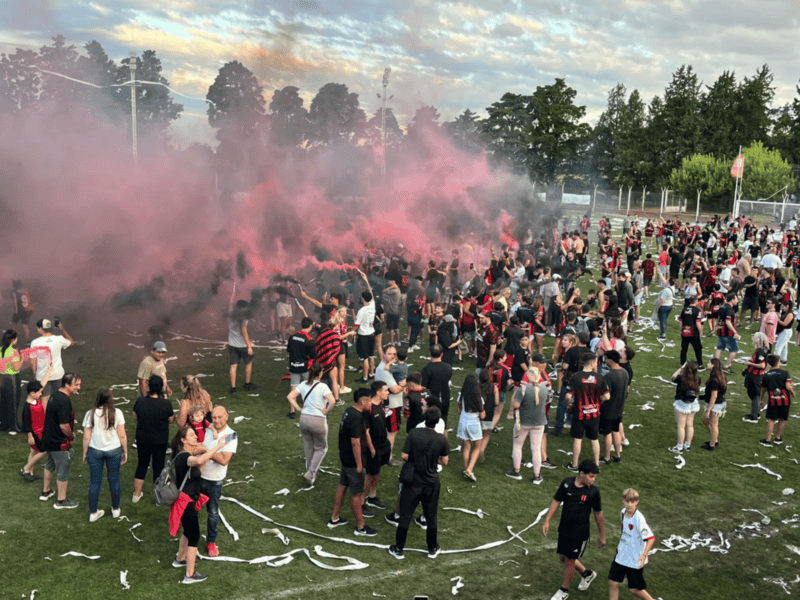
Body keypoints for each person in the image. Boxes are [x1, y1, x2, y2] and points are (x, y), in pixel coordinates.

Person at [387, 406, 450, 560]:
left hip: (413, 482)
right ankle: (432, 548)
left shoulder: (414, 433)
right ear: (437, 422)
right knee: (431, 516)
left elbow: (404, 455)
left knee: (405, 516)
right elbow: (445, 461)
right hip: (431, 482)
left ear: (425, 418)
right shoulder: (441, 438)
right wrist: (433, 460)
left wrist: (417, 459)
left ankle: (399, 548)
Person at [170, 425, 228, 584]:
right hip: (186, 502)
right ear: (183, 440)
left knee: (187, 532)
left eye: (195, 434)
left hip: (188, 500)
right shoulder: (184, 457)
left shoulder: (186, 455)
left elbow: (198, 470)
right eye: (191, 435)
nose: (195, 436)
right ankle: (190, 574)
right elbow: (198, 461)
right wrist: (217, 447)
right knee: (194, 536)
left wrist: (205, 454)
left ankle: (180, 559)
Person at [542, 460, 605, 600]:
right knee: (563, 558)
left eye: (595, 477)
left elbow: (598, 514)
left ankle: (563, 591)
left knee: (570, 561)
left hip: (579, 533)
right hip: (564, 528)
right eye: (591, 476)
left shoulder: (593, 492)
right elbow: (556, 501)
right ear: (581, 473)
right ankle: (587, 574)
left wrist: (602, 535)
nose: (593, 479)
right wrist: (547, 520)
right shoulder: (567, 483)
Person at [328, 388, 377, 537]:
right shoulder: (356, 418)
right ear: (363, 401)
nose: (371, 403)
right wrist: (359, 465)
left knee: (343, 485)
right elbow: (355, 442)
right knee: (356, 494)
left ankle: (335, 518)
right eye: (370, 400)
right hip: (353, 461)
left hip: (345, 458)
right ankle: (361, 527)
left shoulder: (349, 411)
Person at [82, 388, 127, 522]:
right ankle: (115, 510)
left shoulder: (90, 414)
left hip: (95, 450)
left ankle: (93, 513)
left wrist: (85, 453)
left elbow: (86, 437)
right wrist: (125, 450)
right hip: (114, 450)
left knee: (95, 481)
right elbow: (122, 434)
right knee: (114, 479)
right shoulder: (117, 413)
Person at [287, 362, 336, 485]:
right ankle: (311, 473)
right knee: (321, 448)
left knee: (309, 447)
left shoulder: (303, 384)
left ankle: (310, 471)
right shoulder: (323, 386)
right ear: (320, 373)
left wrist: (298, 408)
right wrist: (326, 411)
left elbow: (290, 396)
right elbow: (333, 401)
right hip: (318, 420)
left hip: (304, 419)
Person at [200, 406, 237, 558]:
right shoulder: (207, 429)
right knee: (191, 510)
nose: (217, 420)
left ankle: (211, 542)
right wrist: (214, 450)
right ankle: (189, 539)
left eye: (220, 417)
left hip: (214, 481)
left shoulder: (231, 435)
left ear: (227, 416)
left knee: (213, 513)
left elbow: (224, 460)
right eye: (214, 417)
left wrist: (205, 451)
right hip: (198, 476)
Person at [39, 372, 81, 509]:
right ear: (67, 385)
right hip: (59, 443)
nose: (79, 388)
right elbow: (64, 426)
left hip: (49, 439)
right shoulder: (64, 401)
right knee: (63, 470)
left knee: (50, 465)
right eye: (76, 385)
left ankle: (46, 492)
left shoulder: (55, 395)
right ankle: (61, 501)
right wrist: (71, 436)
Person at [132, 374, 175, 503]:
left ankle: (136, 494)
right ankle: (159, 497)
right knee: (158, 467)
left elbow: (134, 416)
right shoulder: (166, 403)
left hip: (143, 439)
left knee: (142, 465)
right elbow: (171, 420)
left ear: (148, 386)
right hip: (160, 440)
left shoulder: (140, 401)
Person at [608, 488, 657, 600]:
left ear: (637, 502)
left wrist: (644, 555)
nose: (629, 504)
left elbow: (651, 538)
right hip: (621, 554)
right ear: (623, 501)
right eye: (627, 501)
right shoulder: (622, 512)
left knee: (635, 589)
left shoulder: (638, 519)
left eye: (632, 501)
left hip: (635, 558)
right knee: (613, 583)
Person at [565, 354, 609, 471]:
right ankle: (597, 464)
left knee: (577, 439)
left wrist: (568, 404)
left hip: (579, 413)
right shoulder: (600, 377)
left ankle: (574, 465)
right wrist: (599, 402)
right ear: (592, 363)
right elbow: (607, 396)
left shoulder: (576, 376)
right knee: (594, 439)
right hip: (594, 413)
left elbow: (568, 396)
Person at [507, 365, 548, 484]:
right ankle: (537, 475)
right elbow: (547, 401)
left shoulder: (523, 389)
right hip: (539, 422)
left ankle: (516, 471)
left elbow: (516, 405)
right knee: (536, 449)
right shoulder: (544, 388)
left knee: (517, 446)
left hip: (524, 422)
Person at [374, 345, 407, 466]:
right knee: (391, 433)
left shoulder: (388, 367)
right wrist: (404, 384)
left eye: (394, 354)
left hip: (389, 404)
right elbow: (395, 389)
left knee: (386, 432)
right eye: (389, 354)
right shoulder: (384, 370)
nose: (392, 356)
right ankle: (388, 458)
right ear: (383, 354)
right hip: (391, 405)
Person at [363, 381, 391, 513]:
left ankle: (372, 497)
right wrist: (372, 448)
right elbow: (366, 432)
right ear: (378, 392)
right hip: (373, 448)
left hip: (383, 445)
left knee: (376, 472)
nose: (388, 393)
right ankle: (361, 503)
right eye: (385, 390)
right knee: (369, 475)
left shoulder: (382, 404)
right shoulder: (368, 408)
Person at [30, 318, 74, 403]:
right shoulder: (59, 339)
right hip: (57, 374)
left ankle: (46, 412)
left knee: (44, 399)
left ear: (40, 328)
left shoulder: (35, 342)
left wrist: (35, 373)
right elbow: (72, 343)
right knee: (61, 397)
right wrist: (62, 329)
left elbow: (32, 361)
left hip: (42, 376)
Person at [600, 351, 629, 465]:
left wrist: (599, 402)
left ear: (610, 360)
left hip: (608, 409)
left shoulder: (609, 376)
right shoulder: (625, 372)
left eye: (606, 359)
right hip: (619, 408)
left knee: (607, 433)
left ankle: (607, 458)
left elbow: (606, 395)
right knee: (616, 431)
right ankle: (617, 455)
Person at [760, 354, 794, 446]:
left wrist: (761, 399)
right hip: (785, 400)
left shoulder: (767, 375)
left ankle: (768, 440)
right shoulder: (785, 373)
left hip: (773, 400)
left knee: (771, 419)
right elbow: (788, 386)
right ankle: (778, 438)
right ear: (778, 363)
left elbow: (763, 389)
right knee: (782, 419)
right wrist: (792, 392)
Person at [456, 373, 485, 481]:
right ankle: (469, 469)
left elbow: (459, 410)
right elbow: (482, 415)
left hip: (463, 421)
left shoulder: (461, 395)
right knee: (478, 446)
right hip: (473, 422)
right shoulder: (478, 397)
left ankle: (466, 468)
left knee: (466, 446)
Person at [227, 287, 256, 393]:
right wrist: (249, 346)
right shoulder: (243, 318)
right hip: (242, 345)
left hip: (231, 344)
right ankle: (247, 384)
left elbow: (230, 303)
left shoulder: (230, 313)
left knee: (233, 366)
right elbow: (244, 332)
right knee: (248, 362)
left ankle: (233, 388)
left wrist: (233, 294)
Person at [668, 361, 701, 453]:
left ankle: (679, 447)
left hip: (682, 402)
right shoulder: (698, 379)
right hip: (693, 402)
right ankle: (687, 445)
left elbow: (673, 377)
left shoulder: (681, 378)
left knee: (681, 426)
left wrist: (680, 369)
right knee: (690, 425)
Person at [420, 344, 453, 425]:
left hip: (432, 400)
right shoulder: (448, 367)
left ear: (430, 354)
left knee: (431, 424)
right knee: (444, 422)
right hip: (445, 398)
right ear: (441, 354)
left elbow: (423, 387)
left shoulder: (426, 369)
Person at [743, 332, 770, 423]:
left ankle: (754, 416)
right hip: (753, 375)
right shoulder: (760, 350)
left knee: (755, 395)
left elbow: (762, 365)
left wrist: (750, 363)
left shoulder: (760, 351)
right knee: (751, 393)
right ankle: (756, 410)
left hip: (756, 376)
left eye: (754, 338)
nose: (752, 339)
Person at [287, 316, 316, 398]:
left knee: (294, 386)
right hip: (304, 367)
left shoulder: (292, 336)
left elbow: (289, 350)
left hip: (293, 365)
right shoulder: (310, 340)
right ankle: (308, 403)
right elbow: (313, 356)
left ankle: (292, 406)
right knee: (308, 386)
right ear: (310, 326)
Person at [701, 359, 727, 450]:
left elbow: (714, 396)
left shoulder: (714, 380)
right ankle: (714, 439)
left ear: (713, 366)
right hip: (720, 402)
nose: (708, 364)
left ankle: (712, 445)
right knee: (706, 421)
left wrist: (708, 410)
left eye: (709, 363)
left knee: (714, 425)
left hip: (716, 404)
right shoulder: (721, 376)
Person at [0, 329, 23, 433]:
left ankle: (4, 424)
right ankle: (14, 425)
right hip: (12, 379)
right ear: (13, 340)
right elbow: (17, 367)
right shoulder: (13, 351)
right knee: (13, 402)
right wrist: (22, 358)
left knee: (3, 402)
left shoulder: (1, 350)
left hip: (2, 378)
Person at [713, 293, 740, 372]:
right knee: (734, 350)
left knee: (719, 348)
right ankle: (727, 366)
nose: (737, 300)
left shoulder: (722, 306)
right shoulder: (729, 309)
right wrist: (735, 332)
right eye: (736, 299)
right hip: (727, 333)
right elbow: (728, 322)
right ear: (732, 300)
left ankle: (716, 366)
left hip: (720, 330)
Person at [354, 290, 377, 384]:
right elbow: (372, 297)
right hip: (371, 333)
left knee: (365, 358)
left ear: (362, 298)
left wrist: (352, 331)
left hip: (363, 335)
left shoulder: (362, 310)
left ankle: (365, 377)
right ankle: (372, 374)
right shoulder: (373, 305)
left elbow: (356, 324)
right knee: (371, 355)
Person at [678, 295, 705, 369]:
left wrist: (681, 329)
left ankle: (683, 363)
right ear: (696, 301)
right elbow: (698, 322)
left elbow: (680, 321)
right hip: (694, 332)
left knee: (684, 348)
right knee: (698, 348)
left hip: (685, 331)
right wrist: (701, 331)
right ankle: (700, 364)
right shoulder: (697, 310)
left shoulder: (684, 309)